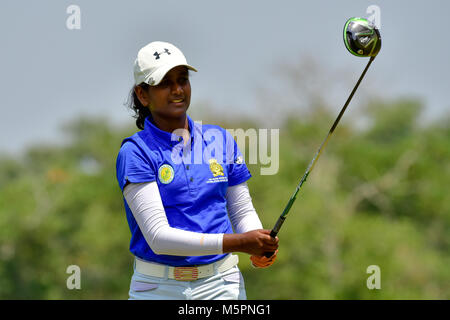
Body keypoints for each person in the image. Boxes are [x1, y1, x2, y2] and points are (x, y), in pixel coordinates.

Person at [116, 41, 279, 300]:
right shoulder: (135, 152)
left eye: (182, 80)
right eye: (165, 83)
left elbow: (241, 210)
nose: (177, 89)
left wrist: (258, 244)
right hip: (157, 288)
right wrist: (240, 243)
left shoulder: (220, 139)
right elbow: (158, 238)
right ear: (143, 94)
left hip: (222, 284)